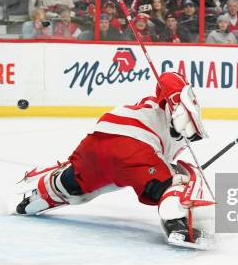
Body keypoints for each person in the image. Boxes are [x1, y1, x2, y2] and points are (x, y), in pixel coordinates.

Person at [15, 72, 214, 248]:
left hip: (98, 139)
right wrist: (179, 104)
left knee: (77, 186)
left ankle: (46, 190)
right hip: (135, 148)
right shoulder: (162, 110)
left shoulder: (150, 114)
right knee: (184, 176)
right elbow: (169, 79)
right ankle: (177, 224)